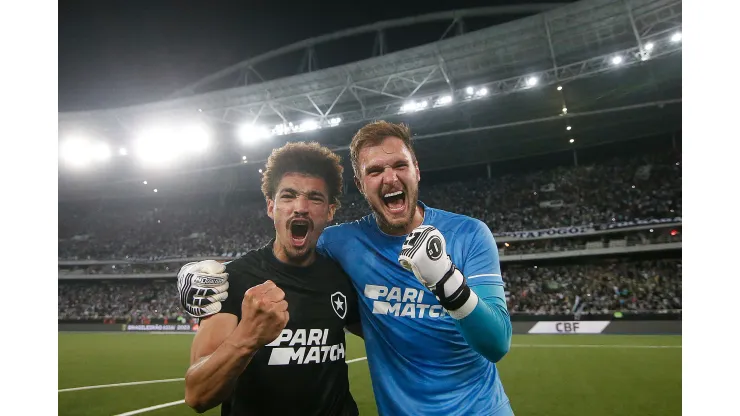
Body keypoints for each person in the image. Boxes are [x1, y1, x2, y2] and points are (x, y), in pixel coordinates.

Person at [180, 121, 514, 415]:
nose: (390, 177)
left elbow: (497, 344)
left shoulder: (469, 234)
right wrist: (202, 273)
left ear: (417, 171)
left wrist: (446, 279)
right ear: (361, 183)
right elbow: (197, 395)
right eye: (374, 171)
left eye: (400, 165)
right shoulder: (337, 245)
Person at [180, 142, 361, 416]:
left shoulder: (341, 276)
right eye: (288, 196)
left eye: (315, 198)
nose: (301, 207)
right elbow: (198, 395)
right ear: (271, 206)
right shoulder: (236, 279)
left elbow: (387, 334)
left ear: (330, 211)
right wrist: (248, 337)